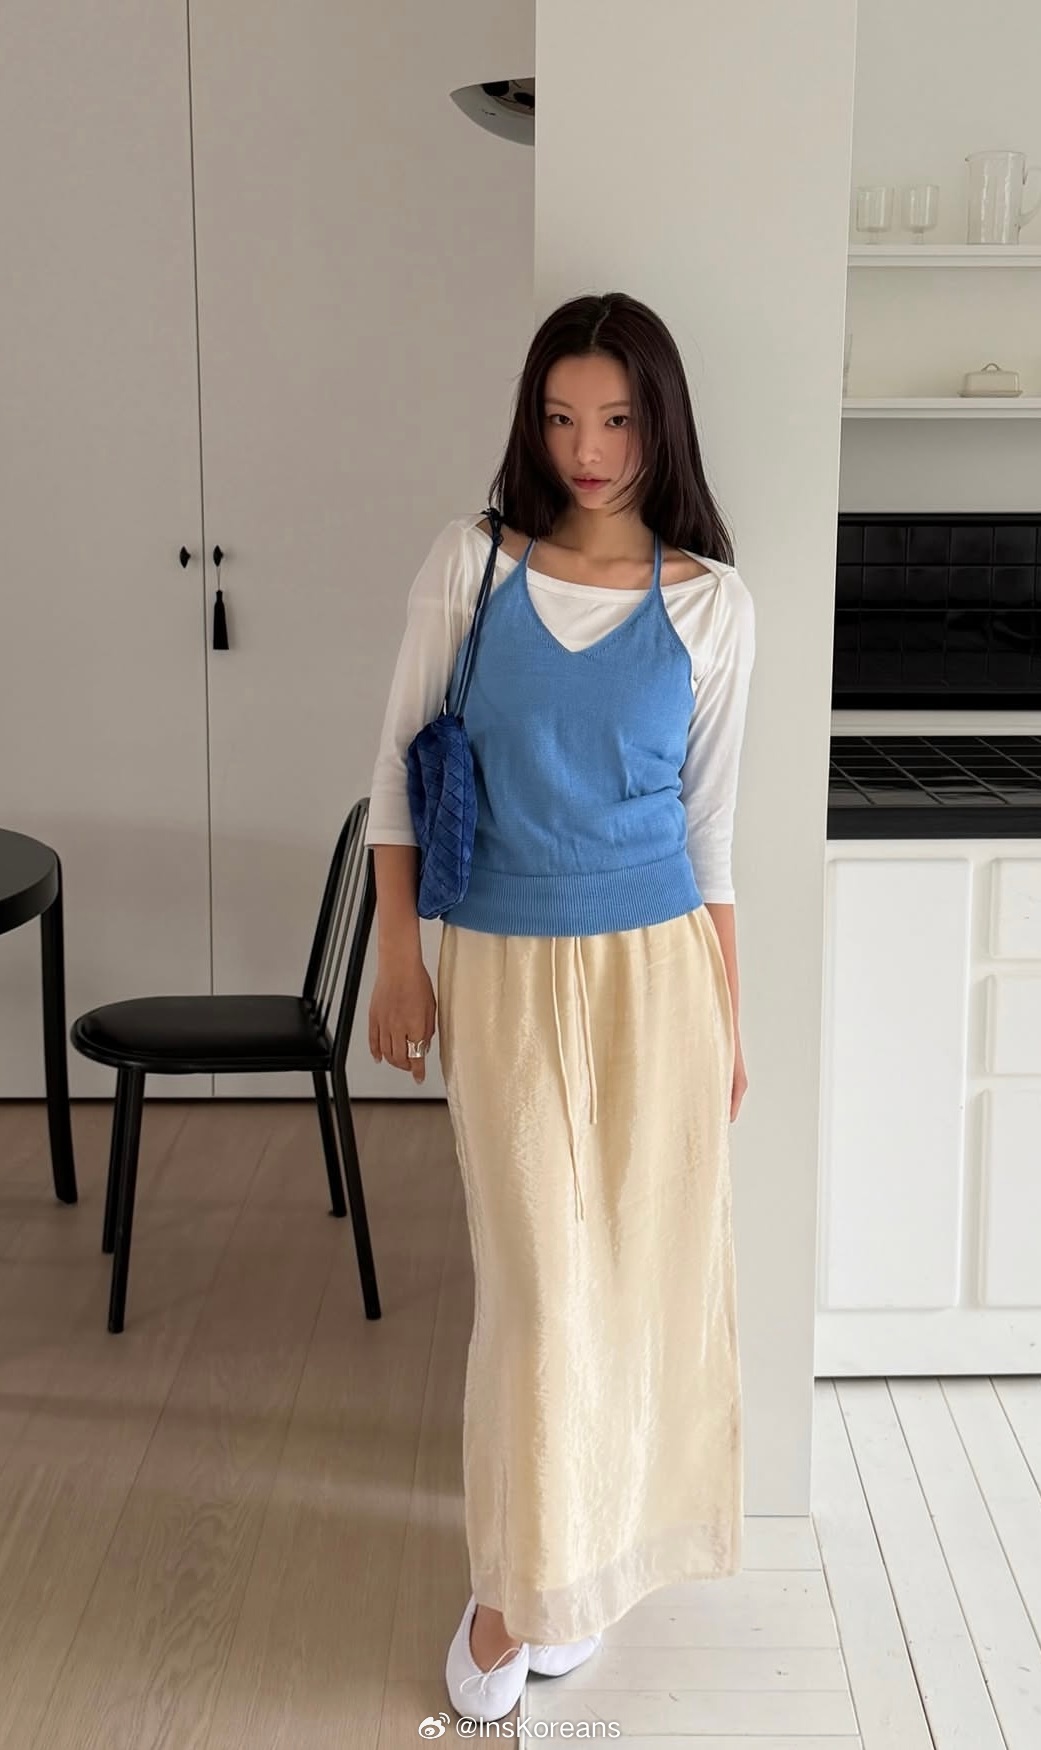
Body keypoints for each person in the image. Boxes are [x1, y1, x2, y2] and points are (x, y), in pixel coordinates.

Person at [364, 291, 756, 1722]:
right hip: (504, 971)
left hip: (659, 973)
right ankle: (509, 1587)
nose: (588, 449)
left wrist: (731, 1018)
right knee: (539, 1297)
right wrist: (398, 957)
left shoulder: (711, 602)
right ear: (531, 425)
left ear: (661, 425)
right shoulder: (470, 566)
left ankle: (582, 1569)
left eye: (617, 419)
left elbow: (711, 834)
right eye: (561, 417)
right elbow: (394, 771)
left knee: (640, 1284)